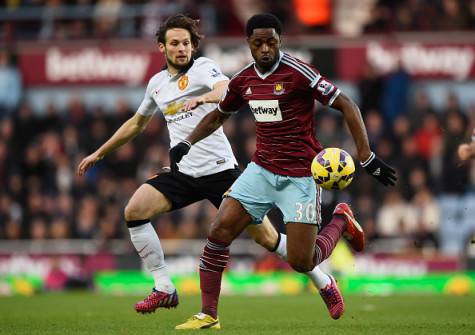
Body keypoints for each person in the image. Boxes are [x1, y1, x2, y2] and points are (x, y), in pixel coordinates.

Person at [77, 14, 345, 319]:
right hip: (184, 172)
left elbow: (226, 89)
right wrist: (100, 152)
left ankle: (323, 280)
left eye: (187, 43)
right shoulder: (156, 83)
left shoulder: (204, 68)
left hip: (221, 173)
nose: (182, 49)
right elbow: (137, 123)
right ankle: (164, 287)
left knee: (268, 240)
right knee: (134, 211)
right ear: (161, 47)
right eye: (175, 43)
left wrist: (202, 98)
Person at [172, 13, 397, 329]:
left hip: (302, 175)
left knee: (302, 261)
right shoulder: (243, 80)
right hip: (261, 170)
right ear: (248, 43)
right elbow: (219, 114)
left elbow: (346, 103)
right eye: (258, 43)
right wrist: (187, 142)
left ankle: (341, 220)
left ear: (279, 41)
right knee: (219, 230)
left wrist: (366, 156)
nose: (265, 49)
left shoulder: (298, 72)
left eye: (271, 42)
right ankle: (209, 314)